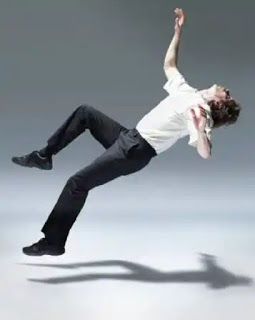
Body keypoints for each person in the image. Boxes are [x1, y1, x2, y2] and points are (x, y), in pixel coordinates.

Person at [12, 8, 241, 256]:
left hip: (135, 150)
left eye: (227, 95)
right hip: (129, 137)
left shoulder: (201, 113)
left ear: (219, 104)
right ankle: (44, 156)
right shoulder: (189, 93)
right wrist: (178, 33)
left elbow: (205, 153)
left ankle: (53, 242)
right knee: (85, 112)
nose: (226, 89)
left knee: (77, 184)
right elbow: (169, 65)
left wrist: (200, 131)